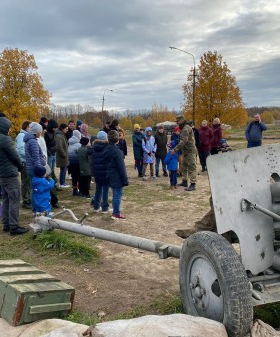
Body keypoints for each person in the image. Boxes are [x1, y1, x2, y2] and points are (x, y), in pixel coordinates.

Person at [0, 116, 28, 236]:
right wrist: (21, 167)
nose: (10, 130)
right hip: (10, 174)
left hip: (2, 175)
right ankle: (14, 227)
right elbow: (14, 155)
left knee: (6, 199)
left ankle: (6, 224)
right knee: (14, 199)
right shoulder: (5, 139)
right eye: (9, 127)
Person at [103, 130, 128, 220]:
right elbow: (121, 167)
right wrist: (125, 179)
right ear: (117, 139)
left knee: (115, 194)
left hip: (109, 174)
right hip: (116, 175)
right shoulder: (117, 151)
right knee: (117, 194)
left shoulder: (106, 149)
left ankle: (115, 211)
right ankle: (116, 213)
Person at [171, 116, 197, 191]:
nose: (177, 123)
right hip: (185, 151)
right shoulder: (184, 128)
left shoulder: (186, 128)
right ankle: (184, 181)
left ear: (182, 120)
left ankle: (193, 184)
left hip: (190, 151)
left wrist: (175, 149)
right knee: (184, 166)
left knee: (191, 167)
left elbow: (183, 141)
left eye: (178, 121)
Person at [88, 131, 110, 213]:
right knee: (105, 190)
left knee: (98, 189)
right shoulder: (107, 147)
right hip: (105, 171)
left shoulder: (94, 147)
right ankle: (105, 207)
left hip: (97, 171)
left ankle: (96, 207)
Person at [16, 120, 32, 209]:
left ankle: (28, 199)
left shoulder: (27, 136)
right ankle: (26, 201)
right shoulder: (21, 135)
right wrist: (29, 157)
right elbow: (21, 150)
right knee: (26, 182)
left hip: (28, 162)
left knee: (29, 182)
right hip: (25, 162)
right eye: (30, 127)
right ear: (26, 127)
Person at [55, 123, 70, 188]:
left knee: (64, 169)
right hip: (62, 156)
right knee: (63, 169)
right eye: (66, 129)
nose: (67, 130)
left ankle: (63, 182)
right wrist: (64, 154)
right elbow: (59, 146)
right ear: (62, 128)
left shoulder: (62, 135)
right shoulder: (59, 136)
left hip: (64, 156)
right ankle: (61, 183)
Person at [68, 130, 81, 196]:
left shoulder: (70, 144)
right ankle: (79, 189)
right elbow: (80, 154)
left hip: (71, 162)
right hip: (77, 162)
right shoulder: (78, 145)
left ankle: (74, 189)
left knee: (74, 177)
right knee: (78, 176)